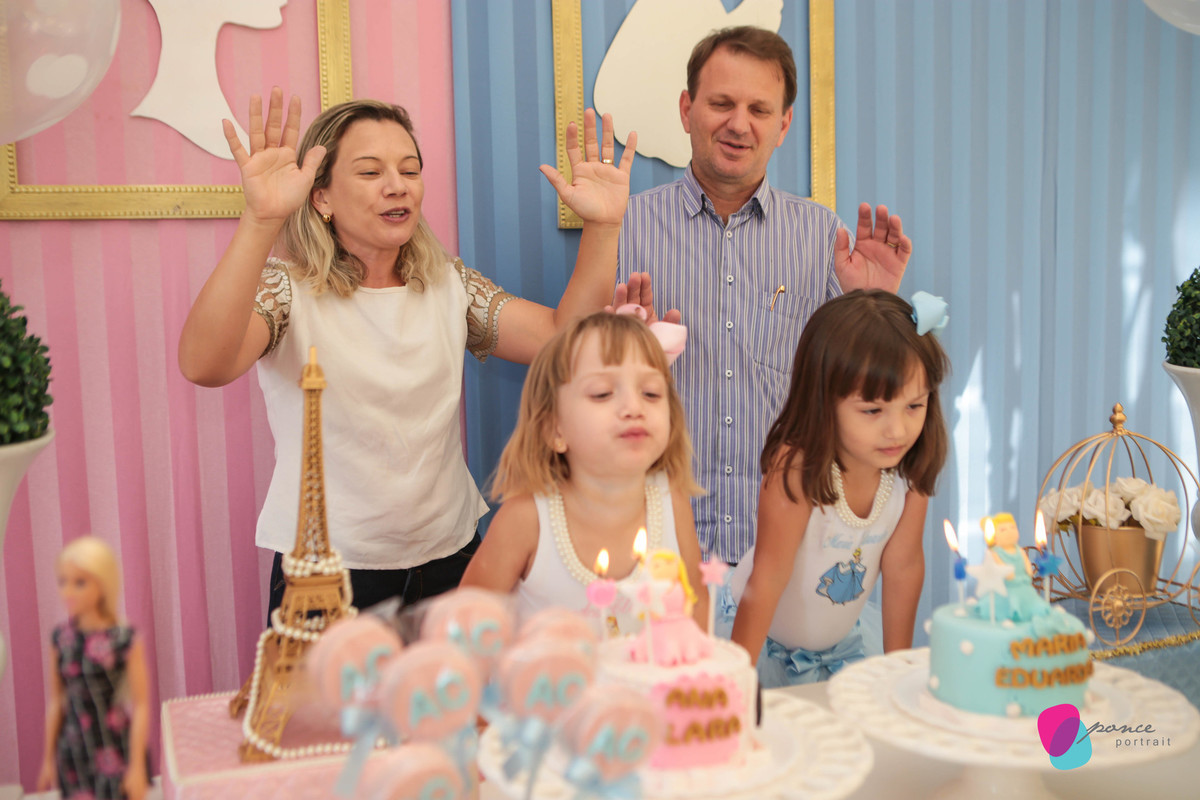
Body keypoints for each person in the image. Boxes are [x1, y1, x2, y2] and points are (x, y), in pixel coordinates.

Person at [178, 89, 640, 615]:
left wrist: (604, 226)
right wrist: (261, 220)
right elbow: (204, 364)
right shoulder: (287, 291)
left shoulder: (448, 284)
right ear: (321, 197)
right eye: (370, 172)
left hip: (450, 558)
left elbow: (563, 337)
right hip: (326, 571)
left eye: (410, 170)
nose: (397, 185)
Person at [617, 26, 914, 564]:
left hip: (789, 549)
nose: (739, 124)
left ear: (784, 125)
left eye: (759, 109)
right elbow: (580, 383)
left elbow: (864, 395)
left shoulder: (823, 237)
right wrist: (616, 350)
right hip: (659, 548)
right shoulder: (623, 228)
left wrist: (871, 310)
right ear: (686, 109)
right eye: (721, 103)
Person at [727, 290, 949, 688]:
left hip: (841, 648)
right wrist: (734, 681)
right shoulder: (798, 469)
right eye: (873, 410)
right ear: (823, 400)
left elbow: (903, 569)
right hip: (758, 642)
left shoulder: (909, 473)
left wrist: (896, 673)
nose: (898, 430)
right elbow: (769, 578)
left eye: (914, 406)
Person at [459, 311, 706, 635]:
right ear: (554, 428)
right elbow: (463, 631)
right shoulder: (526, 520)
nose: (634, 408)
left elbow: (697, 605)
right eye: (602, 393)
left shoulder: (672, 503)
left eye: (651, 393)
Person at [37, 536, 150, 800]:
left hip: (116, 745)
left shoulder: (123, 639)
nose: (68, 591)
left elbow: (141, 705)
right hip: (74, 749)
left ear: (102, 583)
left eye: (80, 582)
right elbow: (56, 701)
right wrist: (47, 759)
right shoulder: (61, 639)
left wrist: (136, 766)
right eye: (63, 582)